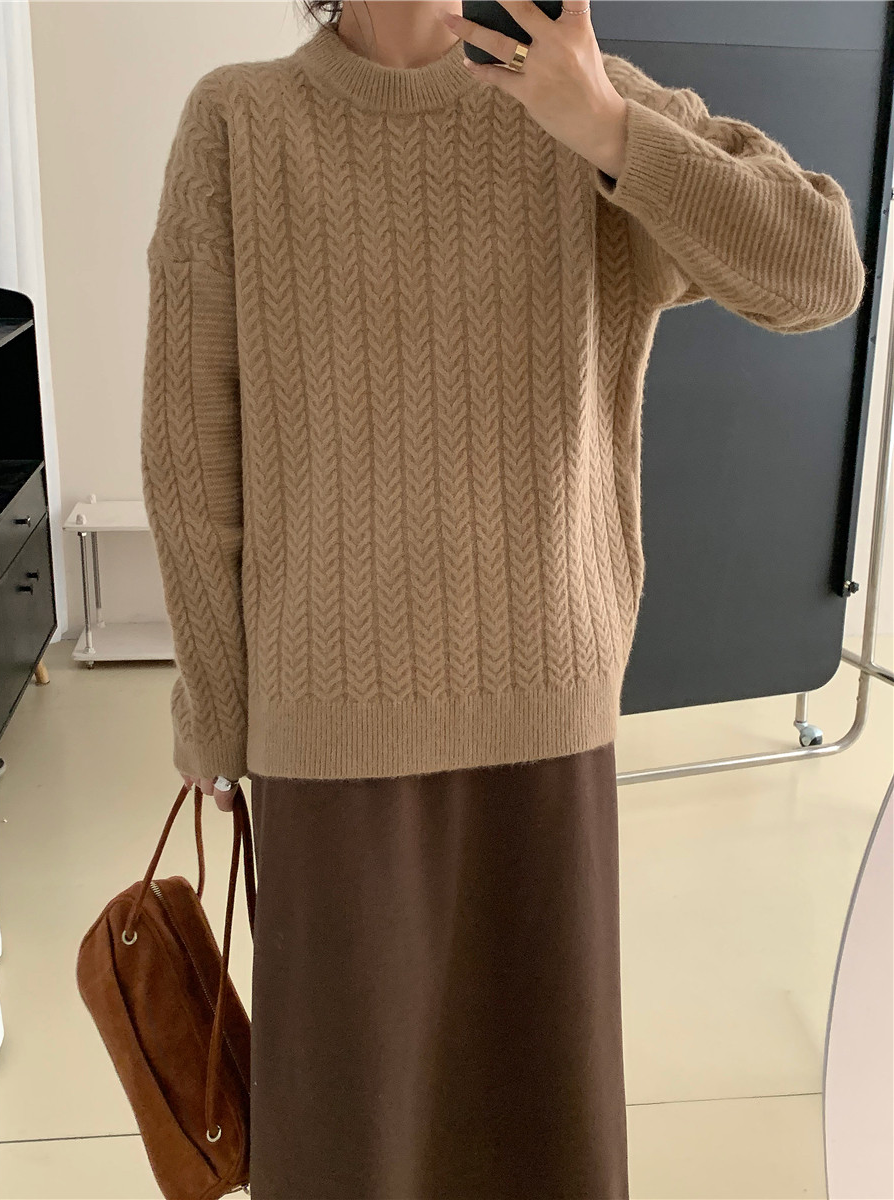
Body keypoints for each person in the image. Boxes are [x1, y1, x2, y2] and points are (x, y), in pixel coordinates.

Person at [140, 1, 866, 1195]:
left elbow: (821, 268)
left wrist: (612, 128)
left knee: (540, 1141)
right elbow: (191, 458)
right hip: (330, 745)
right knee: (349, 1150)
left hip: (543, 732)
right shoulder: (239, 123)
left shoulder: (576, 98)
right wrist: (217, 716)